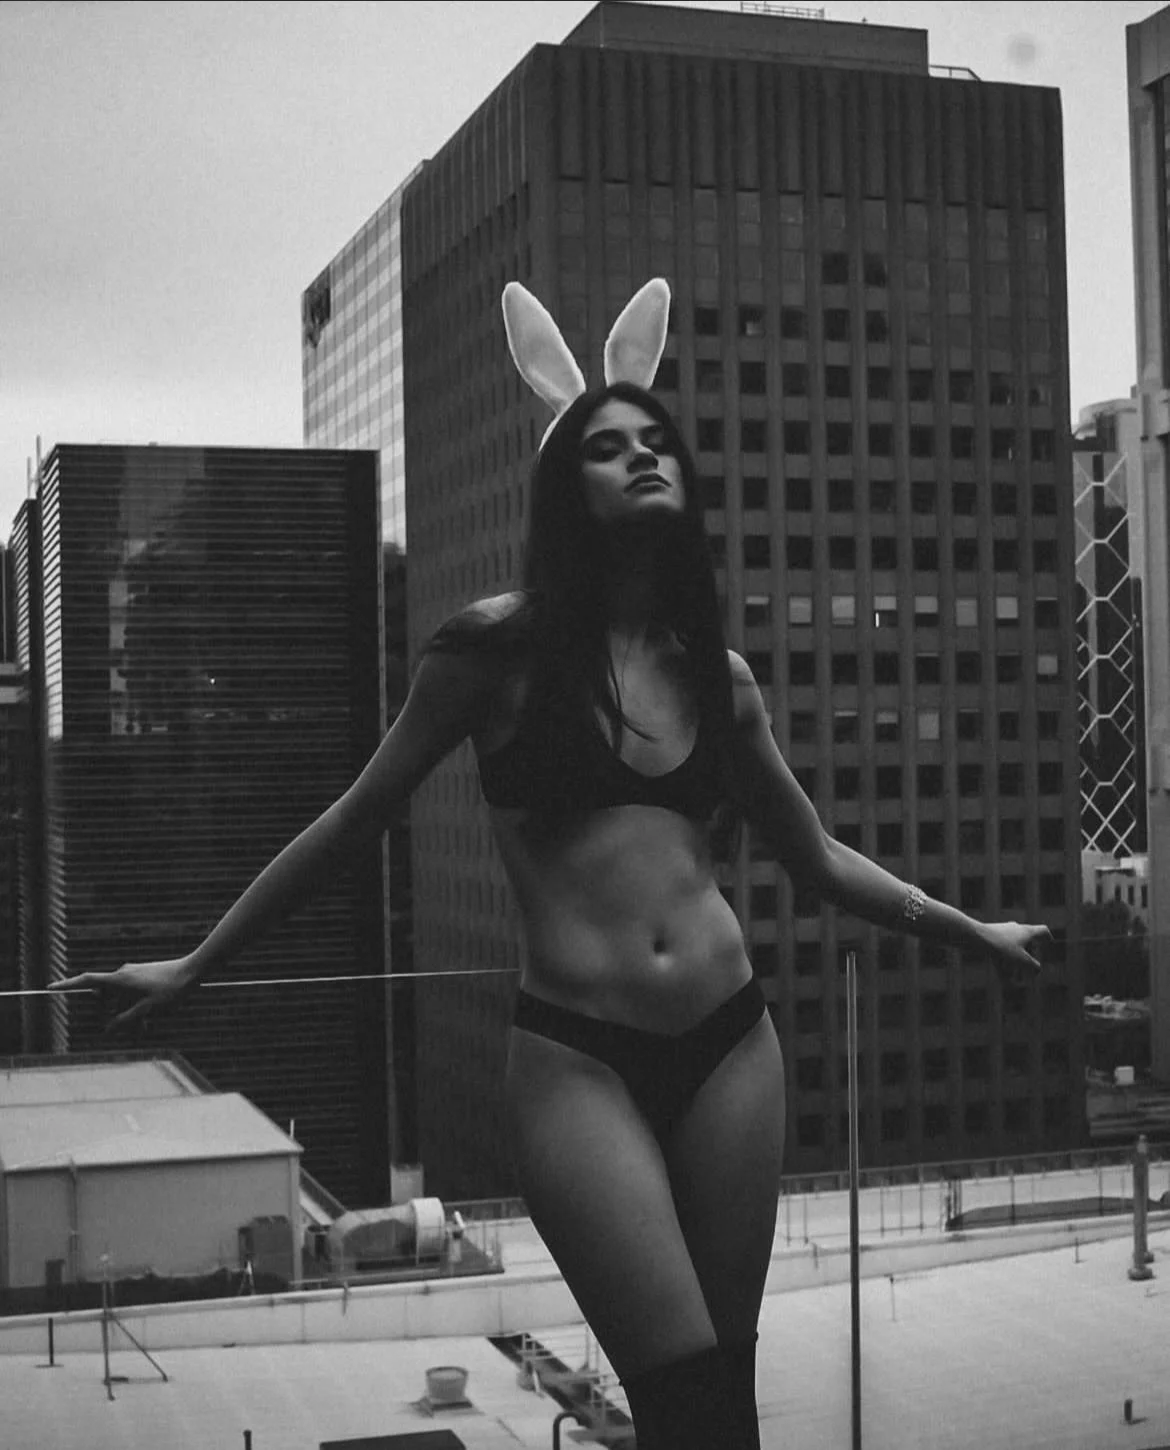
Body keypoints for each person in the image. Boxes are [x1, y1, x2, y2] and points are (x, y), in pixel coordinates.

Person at [54, 278, 1052, 1450]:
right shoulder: (492, 652)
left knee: (725, 1398)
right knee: (678, 1391)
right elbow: (353, 820)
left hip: (733, 1043)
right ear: (561, 487)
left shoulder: (717, 677)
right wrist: (196, 966)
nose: (640, 458)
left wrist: (971, 932)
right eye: (604, 446)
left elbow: (816, 856)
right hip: (579, 1063)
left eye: (654, 442)